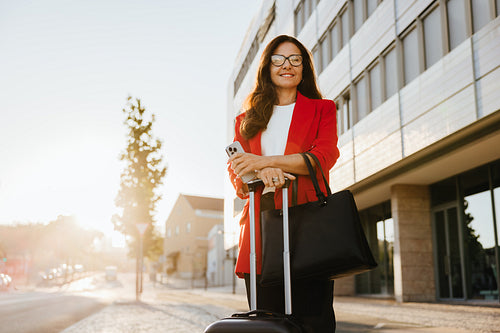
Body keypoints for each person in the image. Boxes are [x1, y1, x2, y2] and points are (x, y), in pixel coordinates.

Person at [227, 34, 340, 332]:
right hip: (260, 231)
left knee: (314, 321)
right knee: (266, 323)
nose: (286, 65)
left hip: (307, 223)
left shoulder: (322, 109)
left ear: (304, 67)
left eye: (294, 59)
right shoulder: (246, 120)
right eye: (277, 59)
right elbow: (237, 171)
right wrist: (258, 174)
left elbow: (323, 157)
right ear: (267, 67)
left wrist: (264, 162)